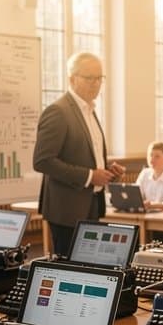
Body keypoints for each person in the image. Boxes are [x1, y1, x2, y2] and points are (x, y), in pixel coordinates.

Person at [33, 51, 125, 254]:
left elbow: (81, 154)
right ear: (72, 79)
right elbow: (43, 161)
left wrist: (106, 170)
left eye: (100, 78)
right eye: (89, 78)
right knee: (69, 271)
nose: (96, 84)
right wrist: (90, 175)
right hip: (67, 210)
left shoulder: (89, 111)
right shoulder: (58, 111)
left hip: (91, 205)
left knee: (88, 267)